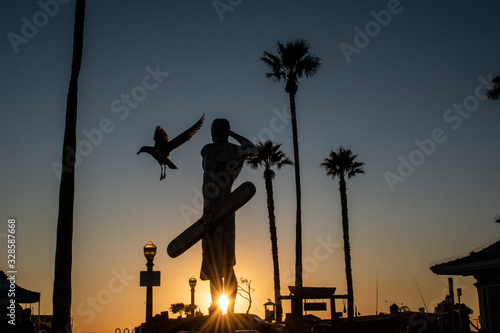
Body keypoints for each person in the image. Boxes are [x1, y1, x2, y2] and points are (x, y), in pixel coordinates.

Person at [200, 119, 257, 315]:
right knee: (227, 263)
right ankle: (230, 311)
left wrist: (207, 211)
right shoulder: (236, 151)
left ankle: (216, 309)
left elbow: (208, 179)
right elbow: (253, 149)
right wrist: (232, 135)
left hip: (214, 207)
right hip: (230, 207)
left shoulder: (210, 150)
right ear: (227, 131)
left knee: (214, 262)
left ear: (212, 132)